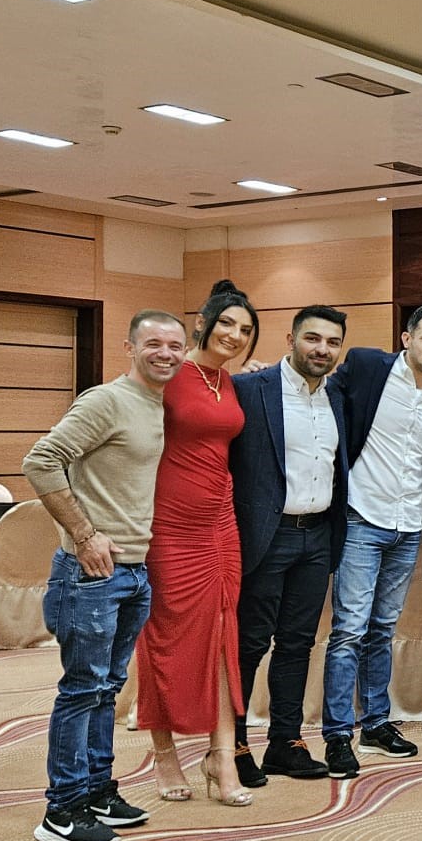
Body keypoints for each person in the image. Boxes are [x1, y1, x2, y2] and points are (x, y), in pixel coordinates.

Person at [22, 309, 186, 841]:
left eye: (175, 346)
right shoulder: (106, 400)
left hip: (133, 570)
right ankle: (62, 810)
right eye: (154, 343)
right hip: (90, 571)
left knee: (106, 689)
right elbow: (41, 461)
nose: (165, 354)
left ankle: (95, 790)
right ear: (130, 347)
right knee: (82, 689)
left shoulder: (154, 403)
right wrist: (84, 534)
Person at [135, 281, 258, 807]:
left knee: (224, 637)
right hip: (168, 525)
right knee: (164, 638)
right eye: (227, 323)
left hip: (220, 524)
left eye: (246, 329)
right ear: (203, 323)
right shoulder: (169, 374)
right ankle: (164, 755)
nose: (235, 334)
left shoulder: (229, 381)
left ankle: (221, 758)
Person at [323, 303, 422, 778]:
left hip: (407, 524)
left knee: (382, 628)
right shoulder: (368, 366)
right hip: (362, 517)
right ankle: (338, 735)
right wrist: (265, 375)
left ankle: (375, 723)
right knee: (349, 631)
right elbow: (313, 389)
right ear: (407, 338)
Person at [228, 304, 348, 785]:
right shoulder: (251, 389)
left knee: (298, 642)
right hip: (266, 535)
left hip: (317, 535)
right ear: (291, 339)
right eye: (313, 338)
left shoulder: (338, 396)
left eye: (332, 342)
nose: (322, 349)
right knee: (249, 643)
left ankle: (285, 742)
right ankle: (233, 743)